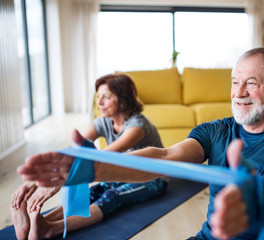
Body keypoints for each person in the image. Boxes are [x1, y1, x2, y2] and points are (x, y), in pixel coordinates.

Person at [18, 47, 264, 240]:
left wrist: (263, 196)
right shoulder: (216, 131)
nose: (239, 92)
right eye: (234, 82)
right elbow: (165, 156)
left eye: (251, 83)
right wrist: (92, 169)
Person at [11, 74, 168, 240]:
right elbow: (74, 152)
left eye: (106, 97)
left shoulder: (137, 125)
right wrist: (36, 180)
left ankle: (51, 229)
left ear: (123, 99)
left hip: (153, 178)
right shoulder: (103, 121)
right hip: (125, 173)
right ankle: (38, 222)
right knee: (94, 191)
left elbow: (102, 159)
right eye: (98, 97)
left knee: (112, 196)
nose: (99, 103)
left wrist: (62, 178)